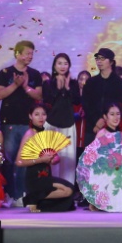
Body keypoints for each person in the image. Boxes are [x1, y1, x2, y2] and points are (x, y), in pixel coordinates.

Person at [0, 40, 43, 208]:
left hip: (27, 123)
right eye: (27, 53)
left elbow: (39, 96)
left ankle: (22, 194)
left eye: (32, 53)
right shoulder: (5, 72)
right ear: (17, 53)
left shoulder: (35, 74)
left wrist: (25, 86)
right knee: (8, 159)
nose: (30, 56)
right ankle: (9, 194)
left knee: (25, 159)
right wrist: (15, 85)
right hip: (9, 122)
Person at [16, 103, 75, 212]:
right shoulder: (29, 134)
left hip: (46, 175)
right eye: (37, 114)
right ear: (30, 116)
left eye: (43, 114)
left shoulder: (44, 134)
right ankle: (32, 197)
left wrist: (54, 159)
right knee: (68, 191)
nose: (41, 117)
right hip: (35, 178)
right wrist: (41, 160)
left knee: (70, 196)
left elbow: (54, 159)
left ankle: (37, 201)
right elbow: (19, 162)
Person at [40, 53, 81, 183]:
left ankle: (67, 190)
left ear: (69, 66)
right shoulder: (48, 84)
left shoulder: (73, 83)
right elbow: (48, 101)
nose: (63, 66)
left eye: (65, 63)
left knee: (68, 161)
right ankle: (51, 190)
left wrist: (67, 88)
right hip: (52, 125)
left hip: (68, 125)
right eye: (59, 63)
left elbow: (77, 101)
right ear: (54, 66)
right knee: (51, 159)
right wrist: (58, 89)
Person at [82, 48, 122, 145]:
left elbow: (119, 104)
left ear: (111, 62)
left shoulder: (120, 83)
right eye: (97, 58)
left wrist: (105, 120)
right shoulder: (91, 82)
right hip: (92, 128)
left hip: (111, 128)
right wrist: (96, 121)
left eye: (102, 58)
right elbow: (86, 104)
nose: (99, 61)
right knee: (91, 153)